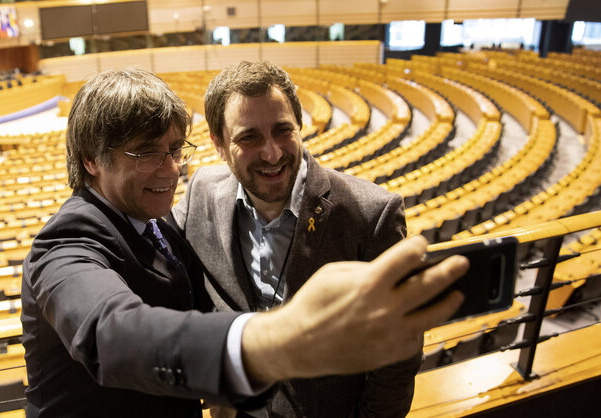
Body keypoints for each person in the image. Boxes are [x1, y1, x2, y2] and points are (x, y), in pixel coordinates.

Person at [21, 68, 467, 418]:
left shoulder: (155, 218)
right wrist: (278, 341)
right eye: (147, 153)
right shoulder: (64, 243)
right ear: (91, 160)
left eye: (176, 150)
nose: (172, 169)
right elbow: (111, 333)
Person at [170, 61, 420, 417]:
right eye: (249, 137)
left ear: (300, 127)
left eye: (283, 131)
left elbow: (399, 353)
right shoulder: (201, 193)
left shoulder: (371, 214)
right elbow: (150, 252)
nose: (272, 153)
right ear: (219, 145)